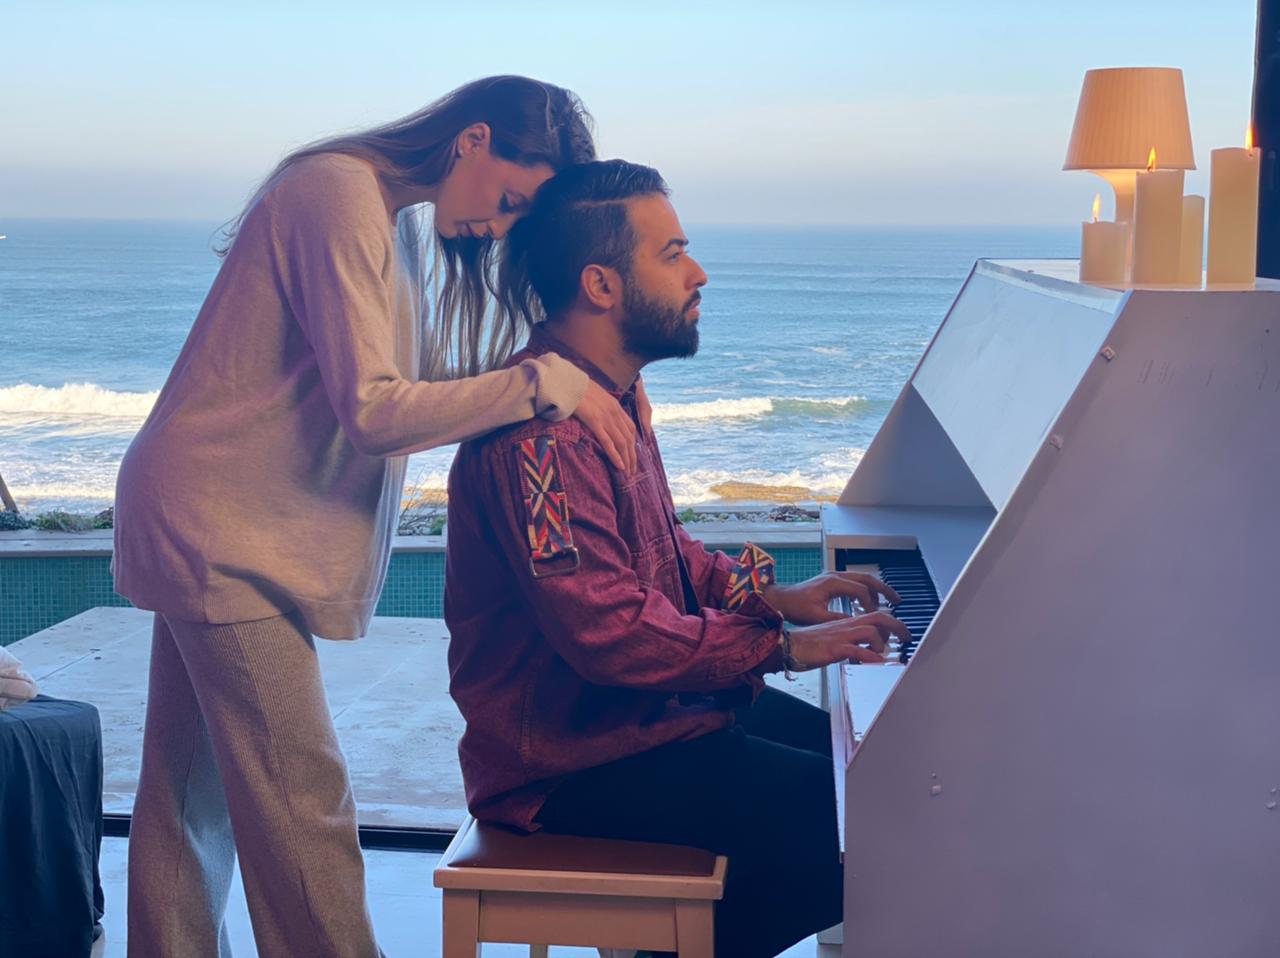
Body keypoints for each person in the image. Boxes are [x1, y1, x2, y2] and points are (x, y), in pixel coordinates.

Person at [113, 76, 642, 958]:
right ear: (474, 139)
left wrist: (576, 375)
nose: (501, 227)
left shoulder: (387, 217)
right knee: (302, 798)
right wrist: (545, 385)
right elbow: (375, 411)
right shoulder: (337, 194)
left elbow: (416, 389)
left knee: (185, 794)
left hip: (212, 512)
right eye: (512, 201)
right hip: (219, 528)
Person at [445, 159, 911, 958]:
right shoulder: (542, 441)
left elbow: (668, 554)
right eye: (673, 254)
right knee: (871, 820)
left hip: (647, 722)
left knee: (876, 775)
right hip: (570, 766)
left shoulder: (610, 395)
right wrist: (783, 649)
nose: (699, 274)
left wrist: (775, 598)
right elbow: (612, 634)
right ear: (601, 284)